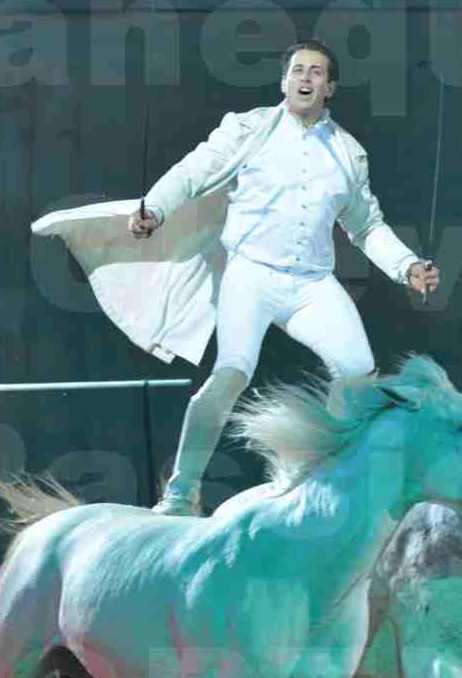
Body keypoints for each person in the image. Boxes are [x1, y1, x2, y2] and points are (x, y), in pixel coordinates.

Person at [129, 40, 440, 516]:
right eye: (297, 70)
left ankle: (326, 482)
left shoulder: (348, 154)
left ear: (330, 87)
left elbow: (367, 225)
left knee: (359, 374)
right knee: (230, 372)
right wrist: (155, 205)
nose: (305, 78)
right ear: (284, 81)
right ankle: (180, 491)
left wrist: (407, 266)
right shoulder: (251, 129)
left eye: (316, 72)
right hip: (250, 275)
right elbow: (196, 170)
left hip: (311, 285)